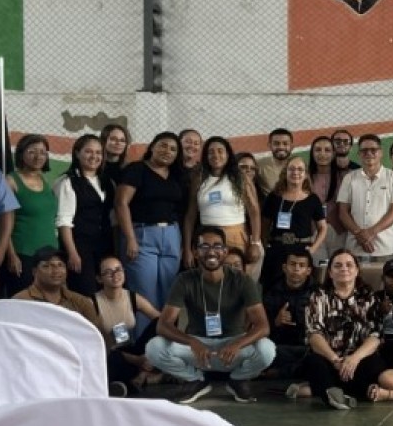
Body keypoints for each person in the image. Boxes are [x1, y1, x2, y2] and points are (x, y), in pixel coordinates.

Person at [146, 226, 276, 405]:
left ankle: (238, 380)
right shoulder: (184, 280)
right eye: (204, 246)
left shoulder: (242, 280)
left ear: (225, 251)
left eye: (217, 246)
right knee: (154, 347)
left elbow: (263, 326)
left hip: (233, 347)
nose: (211, 252)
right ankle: (195, 380)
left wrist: (237, 343)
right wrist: (192, 342)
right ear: (195, 252)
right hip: (198, 348)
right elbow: (163, 325)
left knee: (267, 349)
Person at [300, 249, 387, 409]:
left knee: (376, 364)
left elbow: (375, 335)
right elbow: (314, 334)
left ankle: (321, 390)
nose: (344, 269)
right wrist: (335, 360)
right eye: (338, 265)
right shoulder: (318, 296)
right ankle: (343, 393)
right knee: (313, 363)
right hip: (329, 358)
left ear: (357, 270)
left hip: (358, 360)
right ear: (330, 273)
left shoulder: (368, 296)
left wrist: (354, 359)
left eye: (349, 265)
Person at [115, 131, 189, 312]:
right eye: (163, 145)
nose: (167, 151)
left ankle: (167, 331)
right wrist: (130, 238)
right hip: (142, 235)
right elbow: (121, 203)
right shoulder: (137, 169)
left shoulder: (177, 175)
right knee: (144, 294)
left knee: (170, 294)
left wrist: (180, 242)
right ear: (152, 147)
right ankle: (144, 332)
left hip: (172, 236)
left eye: (173, 149)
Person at [184, 136, 262, 270]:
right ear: (206, 156)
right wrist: (187, 249)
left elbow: (254, 211)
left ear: (228, 154)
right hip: (207, 237)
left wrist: (255, 242)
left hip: (236, 236)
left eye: (220, 151)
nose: (216, 155)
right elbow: (190, 216)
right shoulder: (199, 179)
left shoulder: (240, 178)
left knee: (235, 278)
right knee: (210, 276)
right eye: (211, 152)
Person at [91, 254, 163, 397]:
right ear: (99, 278)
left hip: (132, 348)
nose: (115, 275)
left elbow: (160, 319)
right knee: (112, 361)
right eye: (108, 272)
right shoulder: (92, 302)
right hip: (110, 353)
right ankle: (138, 379)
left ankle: (137, 378)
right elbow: (98, 345)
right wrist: (137, 360)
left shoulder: (131, 297)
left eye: (118, 269)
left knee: (163, 323)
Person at [0, 134, 58, 297]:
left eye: (42, 152)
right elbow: (3, 222)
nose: (38, 156)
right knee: (22, 302)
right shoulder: (11, 181)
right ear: (21, 154)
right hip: (23, 254)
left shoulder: (46, 181)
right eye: (32, 152)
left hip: (50, 254)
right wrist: (11, 255)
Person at [337, 134, 393, 262]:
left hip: (384, 248)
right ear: (359, 154)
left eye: (373, 150)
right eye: (364, 150)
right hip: (354, 248)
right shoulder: (349, 178)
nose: (369, 153)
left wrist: (371, 232)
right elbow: (343, 212)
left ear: (381, 153)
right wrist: (358, 234)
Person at [261, 156, 329, 285]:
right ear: (285, 172)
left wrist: (313, 249)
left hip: (301, 252)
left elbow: (323, 228)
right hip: (277, 250)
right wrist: (265, 246)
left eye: (300, 169)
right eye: (291, 169)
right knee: (272, 287)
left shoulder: (312, 199)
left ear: (306, 174)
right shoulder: (274, 197)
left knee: (300, 288)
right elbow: (264, 225)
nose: (295, 172)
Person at [12, 245, 106, 334]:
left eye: (60, 265)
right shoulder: (20, 301)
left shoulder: (81, 303)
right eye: (47, 266)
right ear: (34, 272)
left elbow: (96, 335)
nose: (56, 270)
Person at [262, 246, 317, 388]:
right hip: (279, 347)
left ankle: (282, 373)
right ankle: (290, 371)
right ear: (284, 268)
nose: (296, 269)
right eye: (293, 264)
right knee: (262, 351)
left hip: (307, 346)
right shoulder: (271, 291)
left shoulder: (318, 293)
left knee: (315, 357)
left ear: (308, 271)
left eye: (301, 265)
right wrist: (276, 322)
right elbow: (260, 327)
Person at [307, 135, 348, 253]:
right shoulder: (305, 178)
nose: (322, 154)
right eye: (318, 150)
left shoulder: (345, 176)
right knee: (318, 263)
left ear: (334, 154)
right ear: (312, 153)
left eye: (327, 150)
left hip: (340, 231)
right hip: (314, 232)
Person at [256, 127, 294, 193]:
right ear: (269, 145)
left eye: (285, 143)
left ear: (292, 146)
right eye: (276, 143)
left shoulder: (300, 166)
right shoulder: (259, 166)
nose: (281, 147)